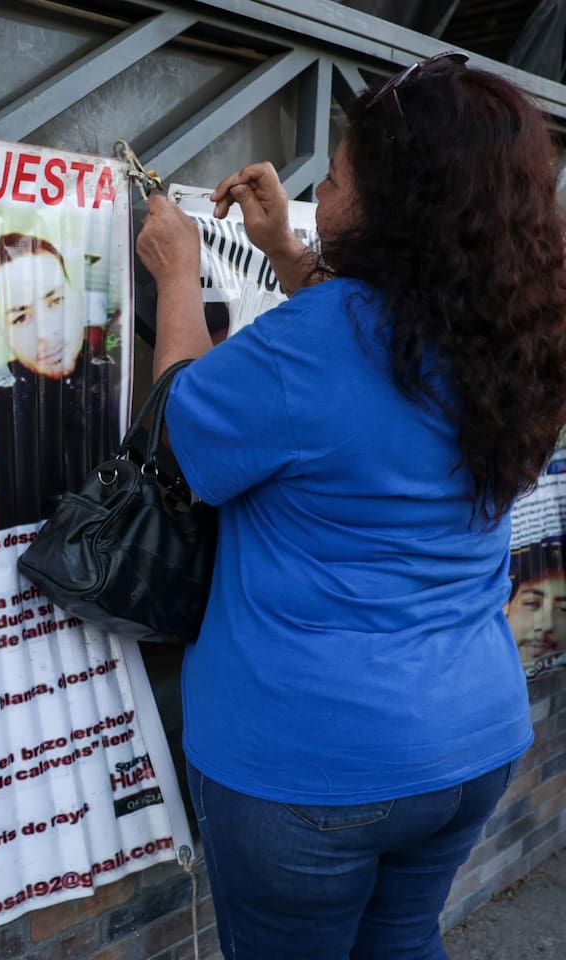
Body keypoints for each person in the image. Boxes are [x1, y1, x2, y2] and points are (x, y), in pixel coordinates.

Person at [135, 54, 566, 958]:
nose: (316, 190)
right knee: (403, 943)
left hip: (311, 766)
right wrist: (292, 259)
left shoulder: (319, 342)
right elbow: (381, 380)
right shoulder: (515, 328)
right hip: (471, 741)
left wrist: (179, 273)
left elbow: (178, 429)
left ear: (395, 209)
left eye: (332, 179)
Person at [0, 232, 119, 528]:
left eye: (55, 301)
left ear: (77, 300)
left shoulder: (117, 378)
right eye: (20, 318)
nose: (47, 334)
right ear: (2, 333)